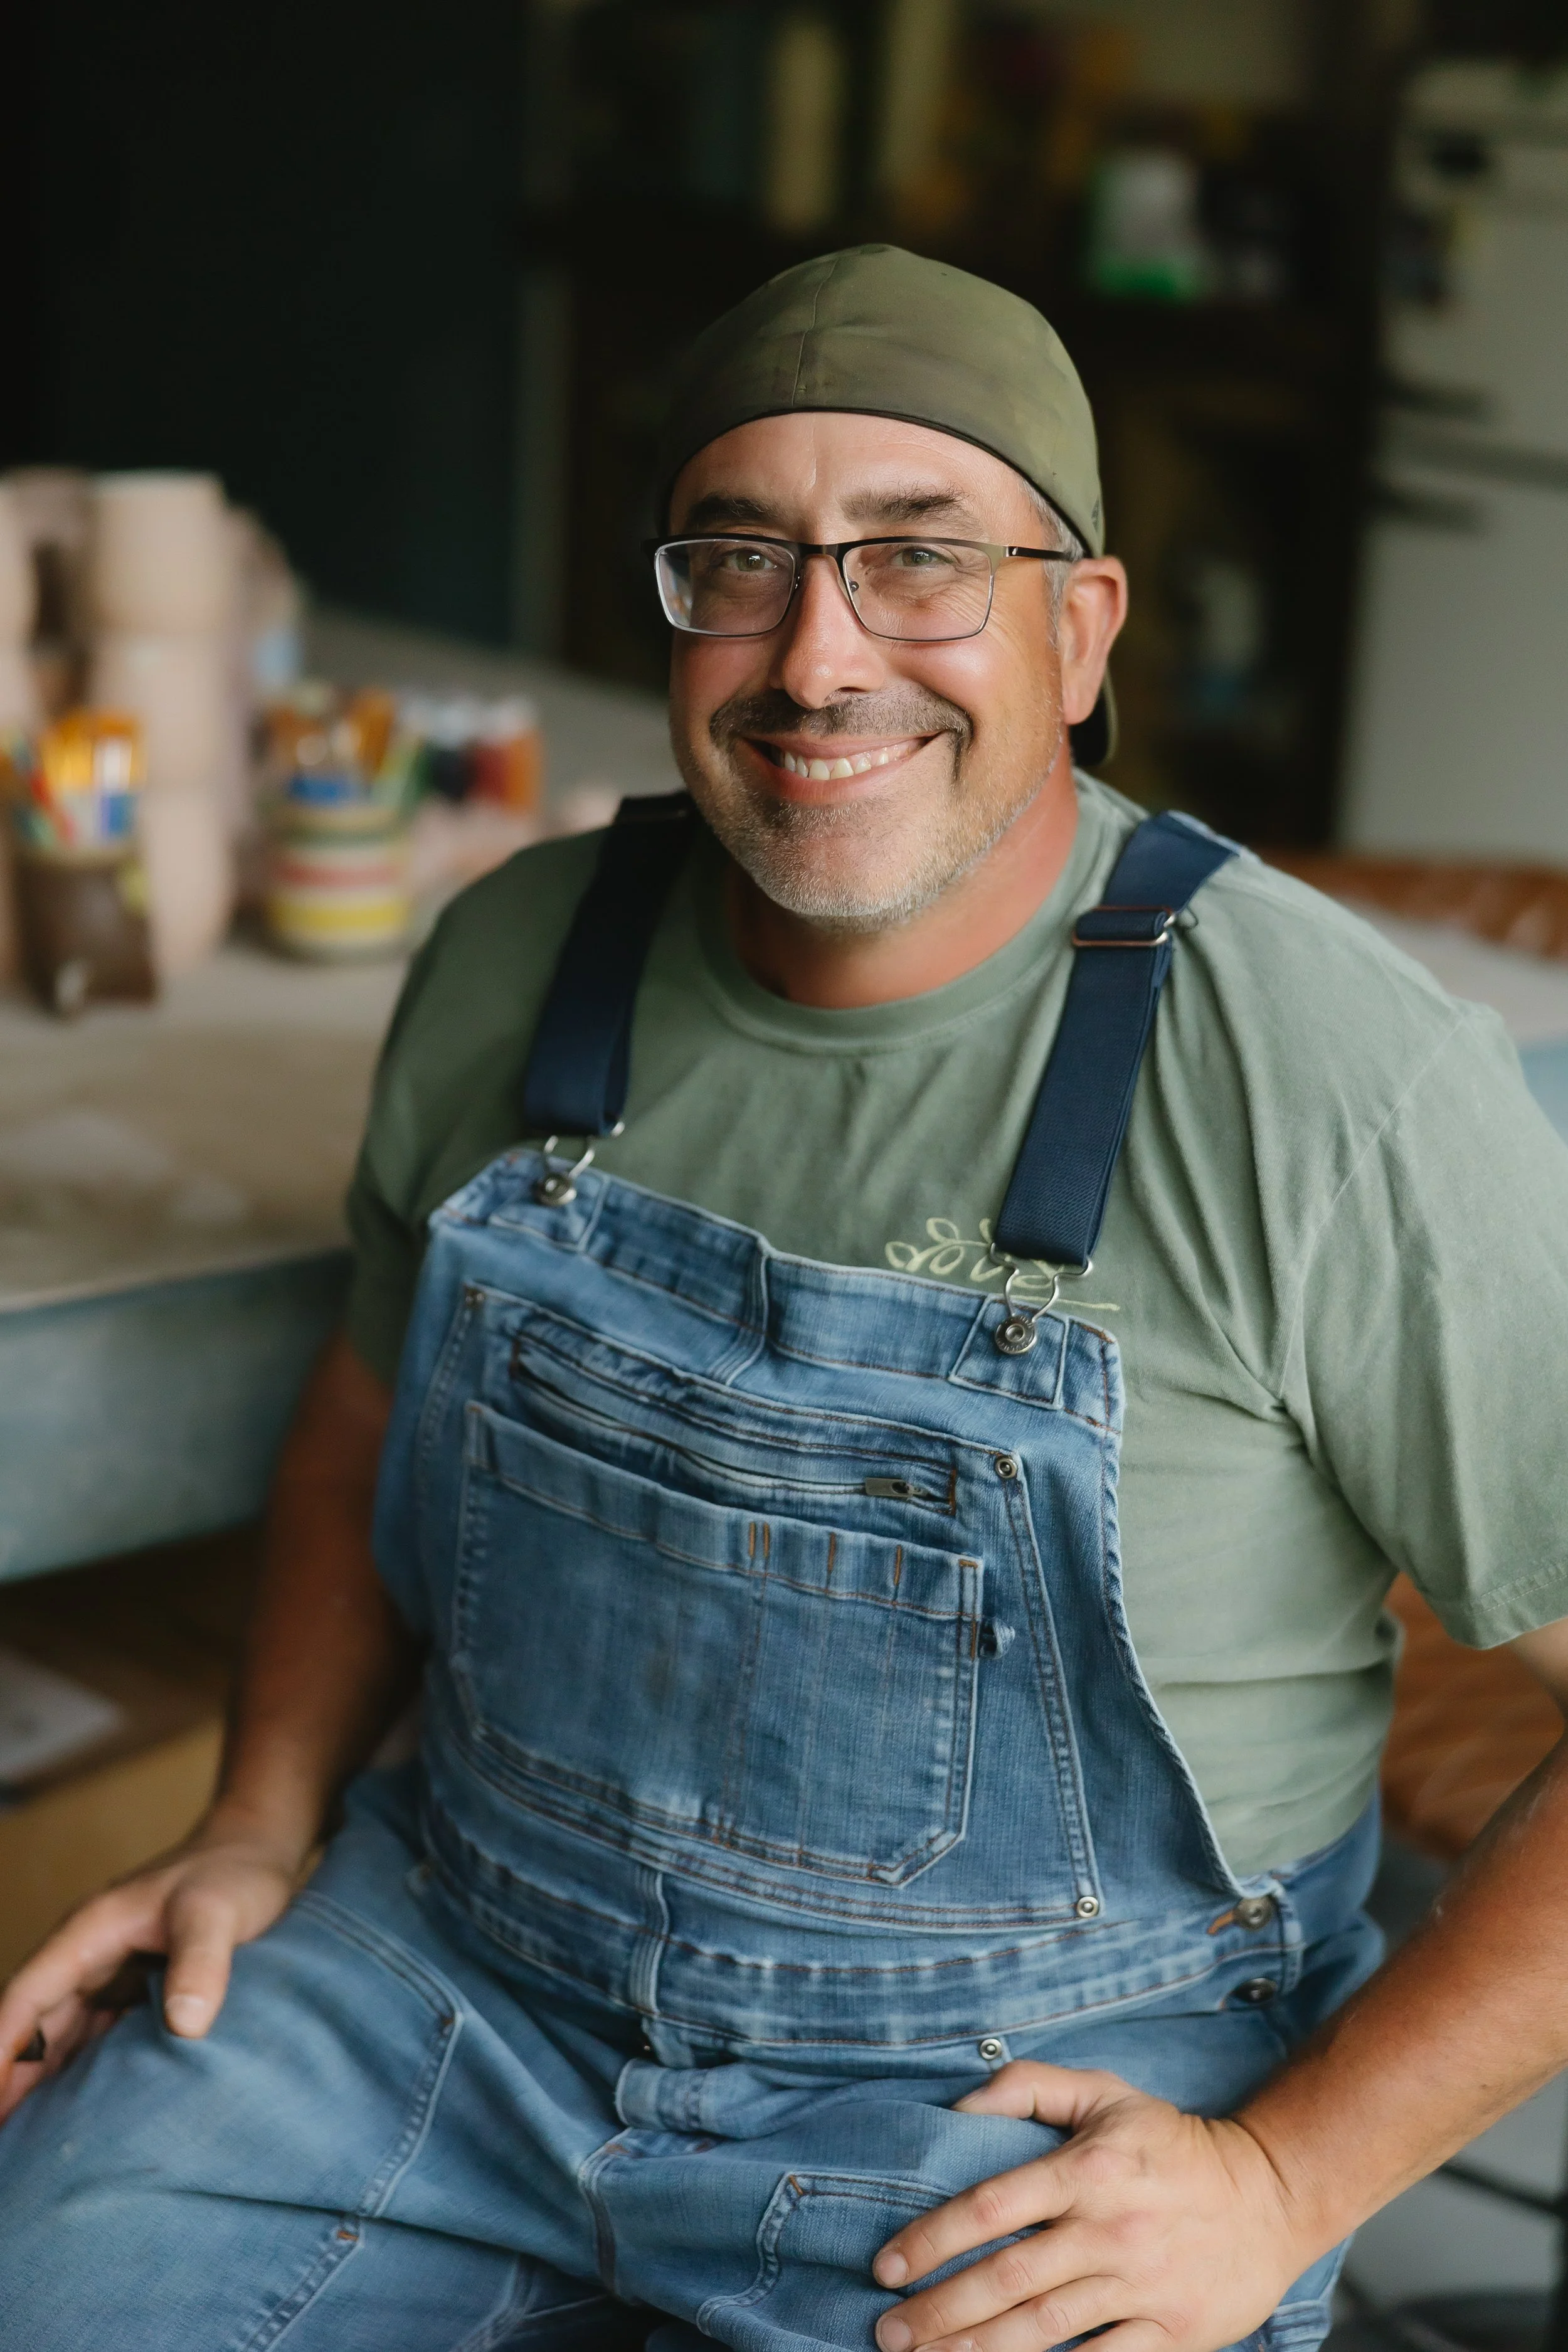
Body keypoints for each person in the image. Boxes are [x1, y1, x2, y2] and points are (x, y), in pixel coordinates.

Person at [3, 244, 1568, 2352]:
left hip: (1008, 2117)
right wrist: (253, 1823)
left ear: (1078, 627)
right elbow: (372, 1413)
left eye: (920, 561)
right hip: (445, 1975)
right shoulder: (515, 957)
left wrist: (1284, 2178)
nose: (817, 656)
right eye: (740, 560)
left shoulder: (1332, 1084)